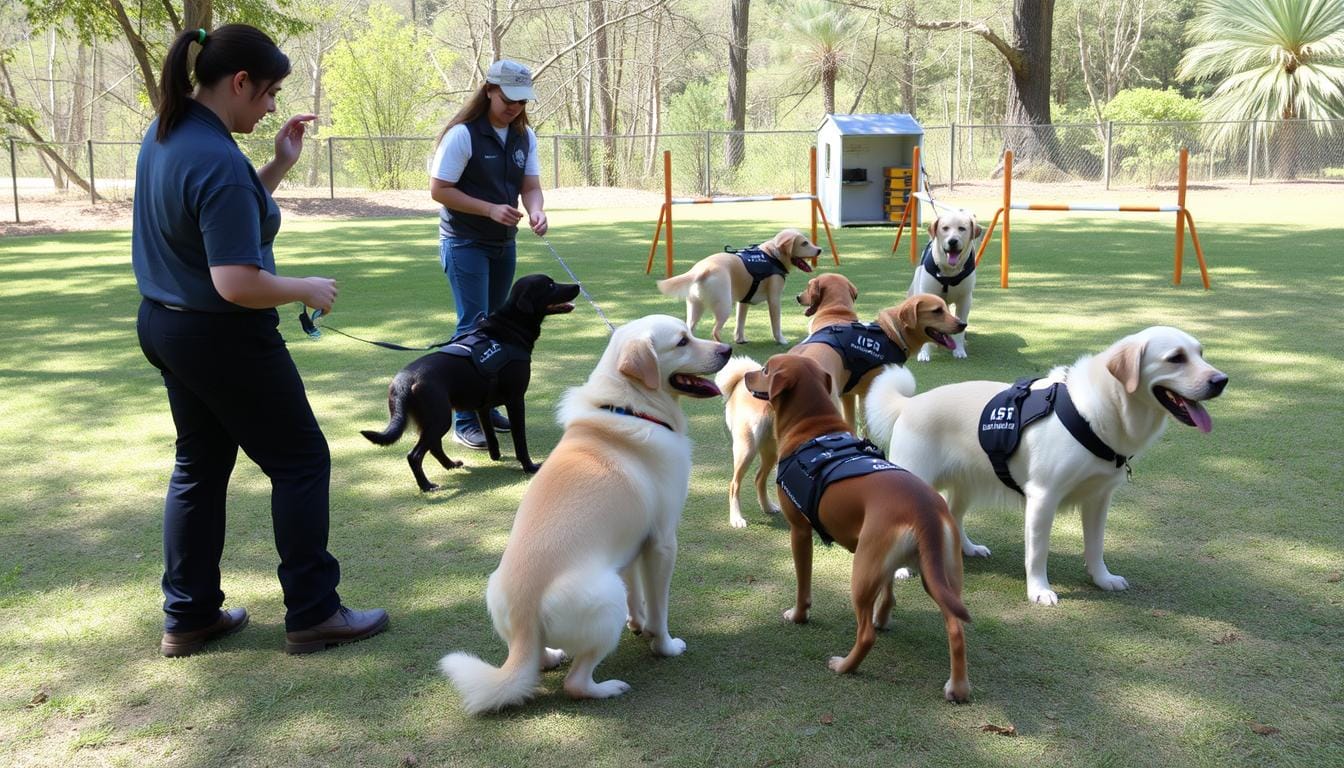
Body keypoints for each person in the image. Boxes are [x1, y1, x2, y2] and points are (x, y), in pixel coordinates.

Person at [132, 24, 387, 657]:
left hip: (167, 326)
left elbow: (226, 225)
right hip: (221, 336)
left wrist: (278, 164)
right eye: (269, 92)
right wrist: (303, 287)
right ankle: (314, 612)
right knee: (301, 460)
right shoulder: (214, 157)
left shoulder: (171, 132)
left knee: (200, 465)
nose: (272, 105)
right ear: (239, 83)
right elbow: (235, 280)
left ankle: (189, 615)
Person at [429, 59, 548, 450]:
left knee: (497, 327)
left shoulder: (524, 137)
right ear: (489, 91)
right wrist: (490, 208)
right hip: (464, 241)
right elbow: (440, 190)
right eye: (508, 97)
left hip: (503, 242)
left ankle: (487, 403)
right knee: (473, 325)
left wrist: (536, 209)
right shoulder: (463, 135)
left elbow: (530, 185)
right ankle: (465, 417)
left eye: (521, 100)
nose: (514, 106)